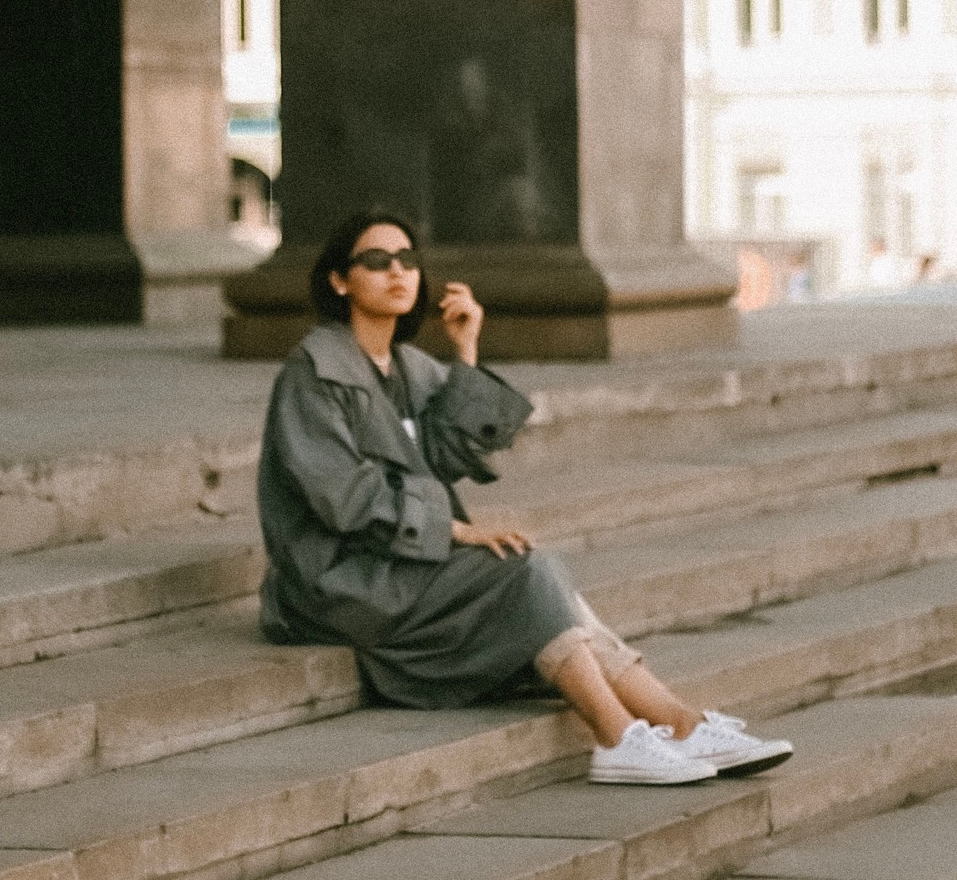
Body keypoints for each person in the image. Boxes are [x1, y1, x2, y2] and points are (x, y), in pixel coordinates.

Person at [256, 210, 793, 788]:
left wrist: (465, 350)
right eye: (375, 261)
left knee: (534, 569)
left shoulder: (408, 367)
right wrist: (456, 531)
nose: (398, 272)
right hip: (336, 578)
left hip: (395, 562)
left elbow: (447, 454)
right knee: (523, 572)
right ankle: (619, 736)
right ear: (340, 281)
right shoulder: (314, 373)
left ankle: (679, 723)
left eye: (408, 260)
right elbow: (341, 495)